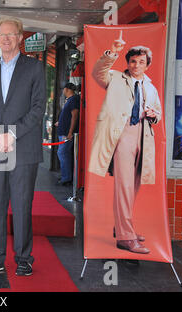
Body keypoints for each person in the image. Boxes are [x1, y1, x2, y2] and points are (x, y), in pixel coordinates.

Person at [0, 17, 46, 277]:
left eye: (10, 35)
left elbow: (39, 108)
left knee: (22, 205)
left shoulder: (34, 68)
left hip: (23, 148)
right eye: (1, 35)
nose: (5, 39)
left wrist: (11, 135)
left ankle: (24, 258)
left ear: (19, 37)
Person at [88, 36, 161, 254]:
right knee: (125, 187)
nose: (136, 65)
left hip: (144, 137)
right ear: (127, 63)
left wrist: (153, 114)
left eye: (140, 62)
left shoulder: (151, 87)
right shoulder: (115, 77)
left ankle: (121, 227)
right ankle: (125, 237)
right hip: (121, 135)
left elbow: (157, 114)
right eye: (132, 61)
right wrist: (112, 52)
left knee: (134, 185)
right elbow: (97, 73)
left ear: (148, 65)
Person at [55, 82, 80, 186]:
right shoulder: (69, 100)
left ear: (67, 89)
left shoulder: (73, 99)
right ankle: (66, 176)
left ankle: (67, 177)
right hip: (63, 132)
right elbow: (68, 116)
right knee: (63, 154)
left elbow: (74, 116)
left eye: (64, 89)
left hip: (67, 134)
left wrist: (70, 132)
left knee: (62, 153)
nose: (63, 91)